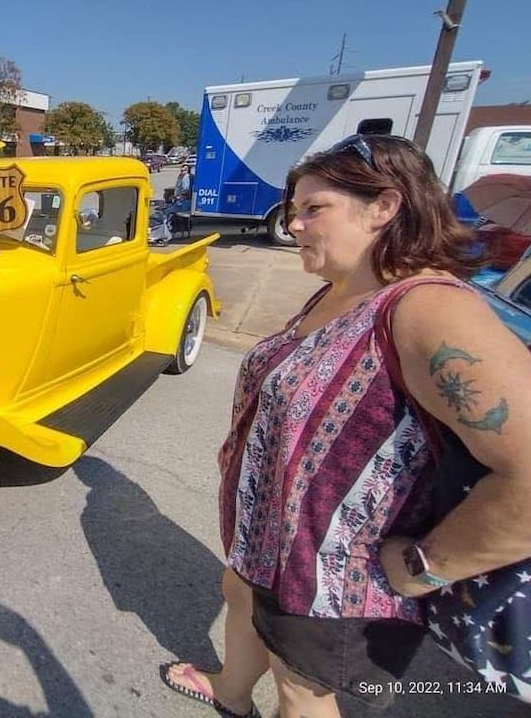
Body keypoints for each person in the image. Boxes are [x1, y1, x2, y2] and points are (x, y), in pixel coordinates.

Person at [160, 134, 531, 717]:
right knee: (238, 596)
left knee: (301, 691)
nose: (294, 225)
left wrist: (422, 569)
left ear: (383, 206)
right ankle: (232, 692)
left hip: (331, 576)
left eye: (313, 209)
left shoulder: (429, 310)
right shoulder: (339, 290)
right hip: (268, 540)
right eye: (293, 210)